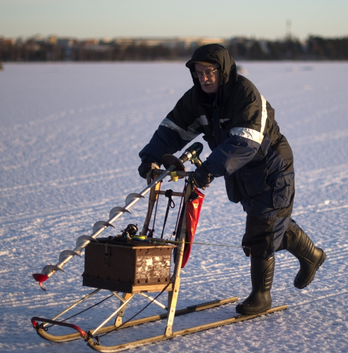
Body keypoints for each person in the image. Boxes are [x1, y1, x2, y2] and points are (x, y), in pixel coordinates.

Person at [138, 44, 326, 315]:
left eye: (209, 72)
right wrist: (150, 158)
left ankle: (261, 297)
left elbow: (244, 142)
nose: (204, 78)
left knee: (260, 233)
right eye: (198, 72)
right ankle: (313, 255)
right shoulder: (196, 99)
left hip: (271, 167)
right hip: (242, 172)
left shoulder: (245, 94)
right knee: (271, 223)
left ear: (223, 70)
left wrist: (209, 169)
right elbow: (172, 130)